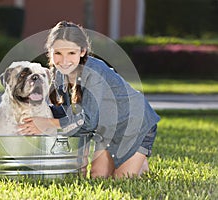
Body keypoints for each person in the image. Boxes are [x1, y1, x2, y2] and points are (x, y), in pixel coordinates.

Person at [19, 21, 160, 179]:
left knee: (121, 180)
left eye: (71, 53)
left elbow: (88, 121)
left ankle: (139, 160)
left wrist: (48, 124)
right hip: (107, 130)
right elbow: (72, 116)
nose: (64, 61)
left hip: (134, 124)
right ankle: (134, 162)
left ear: (82, 51)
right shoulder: (58, 74)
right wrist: (40, 113)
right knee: (98, 177)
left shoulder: (93, 73)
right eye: (58, 53)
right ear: (50, 53)